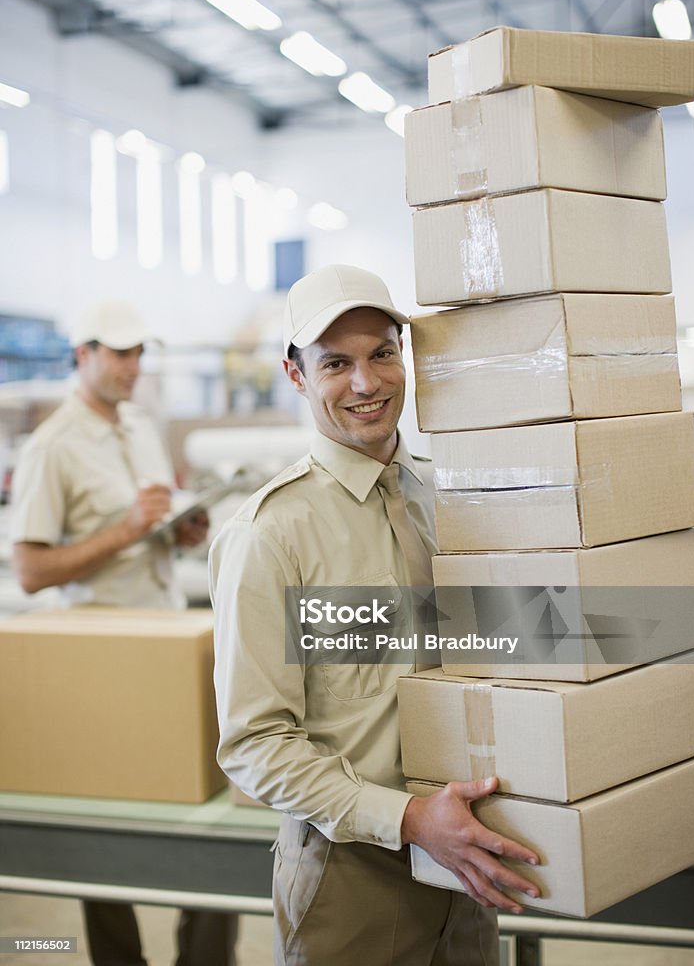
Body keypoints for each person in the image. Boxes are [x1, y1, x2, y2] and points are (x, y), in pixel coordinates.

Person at [210, 265, 540, 966]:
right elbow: (254, 745)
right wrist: (411, 819)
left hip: (467, 854)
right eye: (335, 363)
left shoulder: (445, 501)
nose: (366, 383)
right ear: (296, 376)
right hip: (351, 872)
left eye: (382, 353)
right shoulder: (269, 534)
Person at [11, 299, 238, 966]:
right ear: (80, 355)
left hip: (164, 636)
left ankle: (204, 959)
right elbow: (29, 570)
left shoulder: (141, 426)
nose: (133, 366)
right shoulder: (51, 446)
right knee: (106, 820)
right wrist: (128, 530)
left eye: (140, 353)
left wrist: (182, 528)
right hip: (101, 658)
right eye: (119, 353)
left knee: (207, 798)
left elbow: (151, 521)